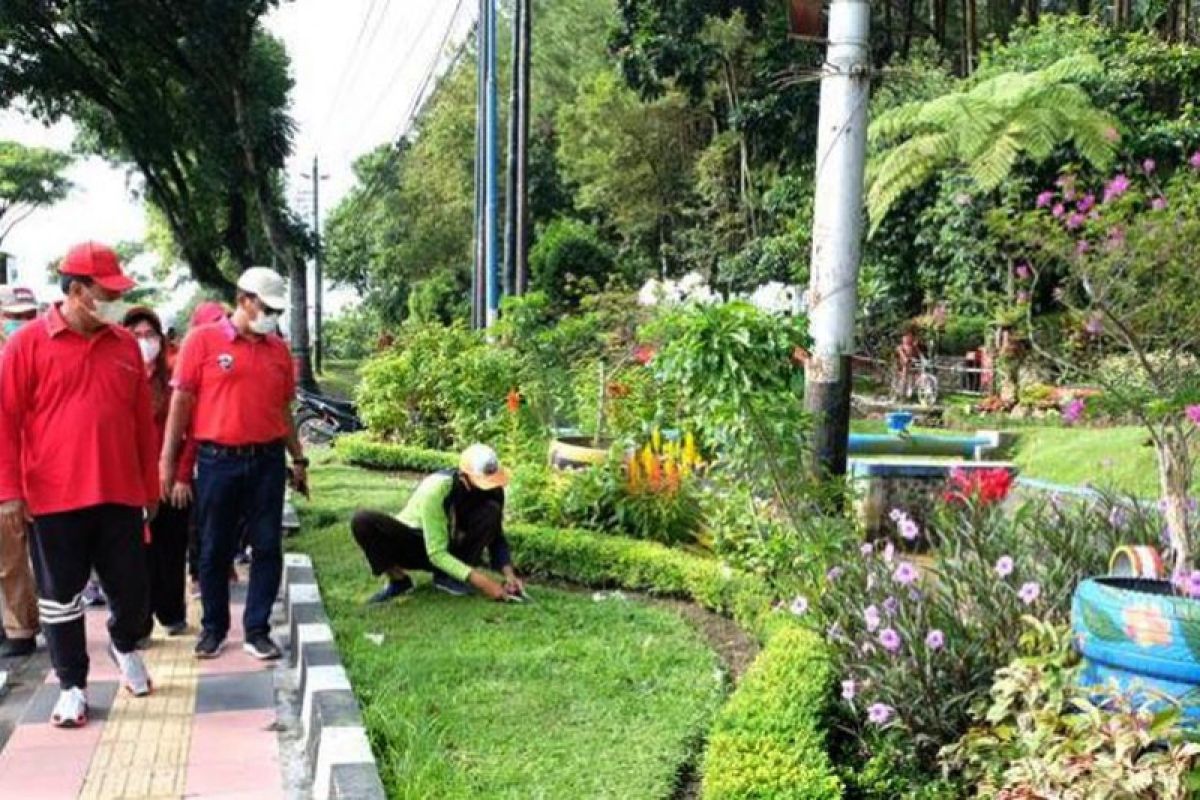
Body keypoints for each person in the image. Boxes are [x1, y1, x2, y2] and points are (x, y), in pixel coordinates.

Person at [0, 242, 158, 727]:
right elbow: (4, 421)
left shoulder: (124, 345)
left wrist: (150, 489)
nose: (113, 300)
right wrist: (9, 491)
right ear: (75, 290)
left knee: (132, 594)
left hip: (121, 493)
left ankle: (123, 643)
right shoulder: (26, 345)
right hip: (55, 496)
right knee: (60, 597)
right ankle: (72, 685)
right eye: (105, 291)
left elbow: (140, 424)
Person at [160, 268, 308, 661]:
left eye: (277, 309)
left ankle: (257, 630)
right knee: (214, 550)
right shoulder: (202, 341)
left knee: (266, 546)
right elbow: (180, 404)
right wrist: (168, 462)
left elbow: (283, 410)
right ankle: (214, 628)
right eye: (267, 307)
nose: (272, 316)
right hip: (217, 462)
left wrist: (299, 458)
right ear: (244, 300)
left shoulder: (277, 350)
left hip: (267, 461)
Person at [351, 444, 524, 603]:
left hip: (452, 544)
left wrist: (510, 576)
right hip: (418, 542)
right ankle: (399, 581)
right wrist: (485, 584)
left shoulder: (494, 490)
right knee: (363, 520)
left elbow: (496, 535)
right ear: (464, 477)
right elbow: (436, 553)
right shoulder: (436, 490)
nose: (488, 487)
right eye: (482, 483)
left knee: (491, 512)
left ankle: (449, 577)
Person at [123, 307, 190, 639]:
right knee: (136, 554)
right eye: (136, 336)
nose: (144, 342)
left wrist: (180, 474)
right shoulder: (118, 376)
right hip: (130, 478)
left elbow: (192, 428)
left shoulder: (174, 375)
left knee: (171, 547)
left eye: (150, 335)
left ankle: (172, 613)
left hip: (171, 474)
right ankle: (140, 621)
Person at [0, 286, 40, 658]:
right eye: (14, 317)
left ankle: (21, 628)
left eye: (29, 316)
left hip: (28, 470)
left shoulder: (34, 356)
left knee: (12, 558)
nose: (22, 324)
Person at [894, 329, 924, 401]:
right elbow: (901, 354)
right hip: (903, 365)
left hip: (913, 364)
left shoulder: (913, 346)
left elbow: (919, 354)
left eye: (910, 337)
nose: (908, 339)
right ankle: (903, 389)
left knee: (920, 369)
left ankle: (917, 386)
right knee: (906, 369)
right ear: (903, 338)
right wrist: (905, 358)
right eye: (906, 337)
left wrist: (922, 358)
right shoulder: (901, 347)